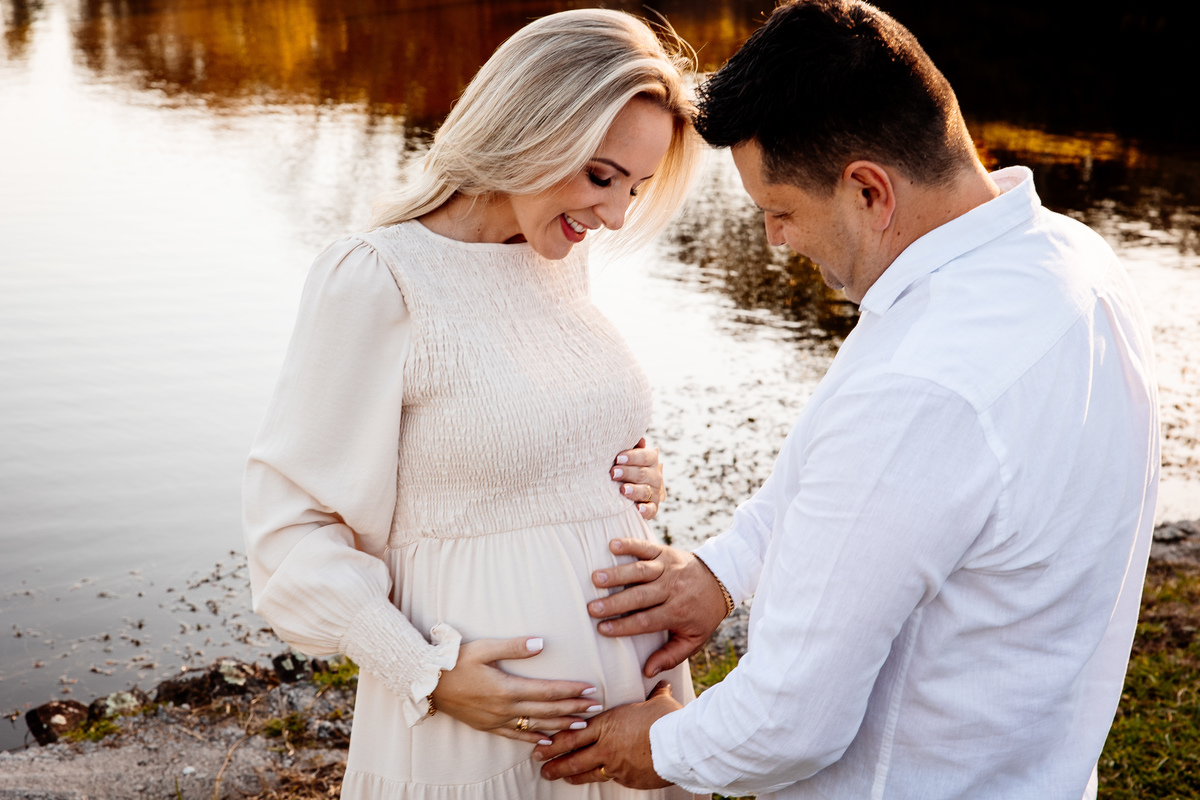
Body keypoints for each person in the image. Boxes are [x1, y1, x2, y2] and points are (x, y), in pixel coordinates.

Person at [534, 2, 1160, 798]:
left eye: (781, 211)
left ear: (868, 190)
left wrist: (656, 744)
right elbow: (850, 492)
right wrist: (723, 572)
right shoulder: (1076, 264)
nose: (776, 241)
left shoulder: (921, 385)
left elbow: (787, 722)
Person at [242, 9, 705, 799]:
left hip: (634, 713)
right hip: (473, 738)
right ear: (531, 128)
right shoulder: (378, 278)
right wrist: (427, 673)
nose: (617, 215)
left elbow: (521, 437)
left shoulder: (553, 254)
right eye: (602, 177)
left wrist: (622, 476)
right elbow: (290, 530)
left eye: (637, 187)